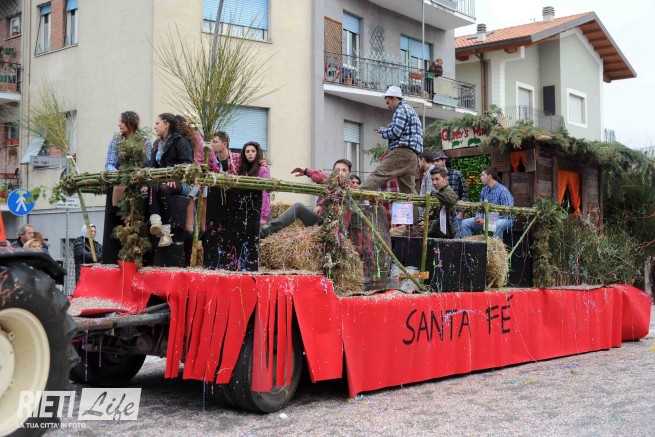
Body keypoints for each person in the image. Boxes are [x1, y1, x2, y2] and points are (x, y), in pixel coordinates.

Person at [260, 159, 351, 238]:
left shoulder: (351, 189)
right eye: (337, 170)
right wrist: (320, 204)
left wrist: (307, 171)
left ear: (349, 174)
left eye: (344, 170)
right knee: (298, 207)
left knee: (298, 207)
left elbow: (326, 180)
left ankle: (265, 231)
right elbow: (324, 179)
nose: (340, 173)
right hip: (322, 223)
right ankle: (264, 232)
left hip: (336, 230)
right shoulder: (331, 186)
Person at [362, 86, 423, 195]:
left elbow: (395, 132)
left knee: (379, 174)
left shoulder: (401, 109)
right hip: (413, 156)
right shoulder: (410, 110)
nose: (388, 106)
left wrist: (383, 132)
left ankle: (354, 194)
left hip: (402, 152)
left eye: (388, 102)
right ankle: (413, 208)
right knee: (408, 192)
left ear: (395, 99)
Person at [149, 113, 194, 247]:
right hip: (160, 182)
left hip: (181, 183)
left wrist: (174, 177)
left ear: (166, 124)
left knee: (163, 187)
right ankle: (156, 222)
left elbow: (187, 163)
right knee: (154, 185)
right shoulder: (157, 144)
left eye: (157, 123)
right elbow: (152, 167)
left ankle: (166, 232)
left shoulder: (180, 141)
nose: (155, 126)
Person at [104, 111, 153, 206]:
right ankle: (115, 210)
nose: (119, 124)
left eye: (122, 121)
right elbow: (109, 164)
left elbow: (149, 163)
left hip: (139, 177)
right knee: (118, 187)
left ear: (131, 122)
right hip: (119, 178)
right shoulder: (116, 140)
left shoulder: (145, 140)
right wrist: (121, 175)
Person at [460, 167, 514, 240]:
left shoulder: (503, 191)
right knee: (465, 223)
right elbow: (480, 207)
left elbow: (507, 213)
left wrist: (489, 221)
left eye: (482, 175)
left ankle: (495, 247)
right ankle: (468, 245)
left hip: (505, 220)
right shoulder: (484, 190)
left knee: (497, 225)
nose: (480, 177)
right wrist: (478, 218)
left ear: (489, 176)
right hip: (486, 219)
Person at [433, 151, 468, 237]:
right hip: (442, 215)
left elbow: (465, 193)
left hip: (455, 213)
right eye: (434, 161)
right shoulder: (434, 177)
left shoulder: (456, 174)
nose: (435, 163)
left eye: (437, 161)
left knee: (456, 239)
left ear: (444, 160)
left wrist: (461, 213)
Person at [239, 141, 271, 224]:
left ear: (257, 153)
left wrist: (264, 216)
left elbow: (266, 193)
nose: (250, 153)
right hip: (243, 211)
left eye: (253, 151)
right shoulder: (242, 170)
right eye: (247, 151)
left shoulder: (263, 170)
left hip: (257, 210)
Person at [427, 168, 459, 239]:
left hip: (446, 232)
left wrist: (434, 194)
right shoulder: (440, 192)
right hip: (437, 231)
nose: (434, 183)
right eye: (432, 180)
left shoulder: (448, 191)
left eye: (437, 179)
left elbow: (452, 200)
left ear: (445, 179)